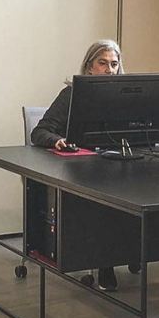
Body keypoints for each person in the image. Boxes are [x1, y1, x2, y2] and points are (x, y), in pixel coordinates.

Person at [30, 39, 125, 292]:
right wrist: (57, 140)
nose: (109, 70)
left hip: (114, 164)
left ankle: (129, 249)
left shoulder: (124, 96)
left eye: (114, 64)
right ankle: (105, 262)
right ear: (89, 66)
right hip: (81, 170)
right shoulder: (71, 94)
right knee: (109, 199)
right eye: (102, 63)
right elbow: (40, 131)